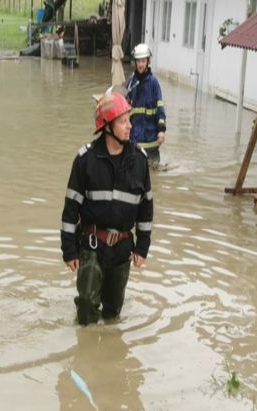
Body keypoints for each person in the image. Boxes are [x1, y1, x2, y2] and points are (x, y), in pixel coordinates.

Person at [61, 91, 152, 325]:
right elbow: (71, 208)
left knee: (112, 314)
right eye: (123, 121)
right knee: (87, 310)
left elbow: (146, 209)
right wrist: (69, 250)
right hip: (92, 245)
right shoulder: (85, 160)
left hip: (122, 249)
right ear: (107, 126)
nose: (129, 126)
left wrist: (142, 247)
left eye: (129, 119)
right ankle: (86, 353)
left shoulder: (140, 161)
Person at [125, 43, 166, 164]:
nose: (140, 64)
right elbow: (124, 108)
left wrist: (161, 130)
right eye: (138, 61)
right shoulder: (131, 83)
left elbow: (160, 109)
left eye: (143, 61)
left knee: (153, 177)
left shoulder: (154, 83)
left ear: (148, 62)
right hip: (134, 140)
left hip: (151, 140)